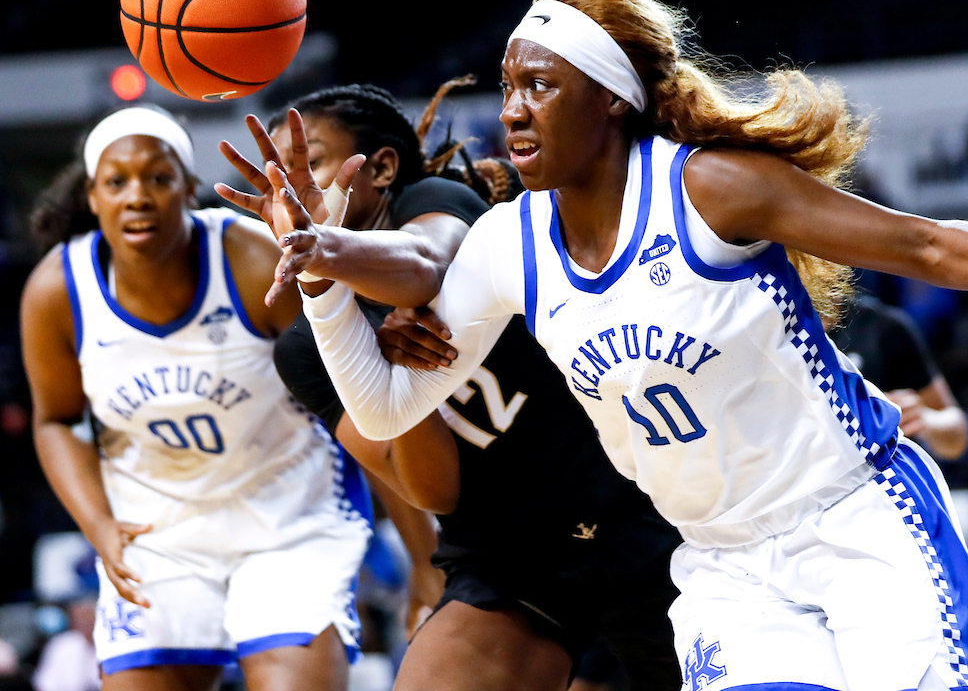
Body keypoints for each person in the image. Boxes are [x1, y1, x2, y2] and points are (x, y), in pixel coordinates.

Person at [229, 0, 968, 691]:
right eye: (511, 85)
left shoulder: (705, 189)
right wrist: (319, 272)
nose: (513, 106)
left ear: (609, 98)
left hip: (854, 513)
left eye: (542, 85)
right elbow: (387, 405)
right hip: (723, 560)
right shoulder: (508, 244)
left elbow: (920, 246)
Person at [217, 81, 682, 691]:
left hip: (635, 502)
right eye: (275, 179)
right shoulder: (304, 351)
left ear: (382, 167)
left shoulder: (436, 201)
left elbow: (427, 264)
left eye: (311, 163)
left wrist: (329, 250)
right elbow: (433, 488)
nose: (291, 191)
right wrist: (393, 376)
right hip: (510, 557)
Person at [19, 106, 372, 691]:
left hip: (288, 518)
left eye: (158, 178)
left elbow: (353, 393)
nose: (138, 196)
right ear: (93, 196)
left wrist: (423, 556)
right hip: (157, 535)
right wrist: (100, 526)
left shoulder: (253, 257)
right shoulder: (58, 290)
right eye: (117, 182)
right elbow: (55, 421)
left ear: (189, 188)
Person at [831, 292, 968, 460]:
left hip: (879, 475)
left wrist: (923, 417)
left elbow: (958, 436)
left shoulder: (882, 326)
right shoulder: (791, 337)